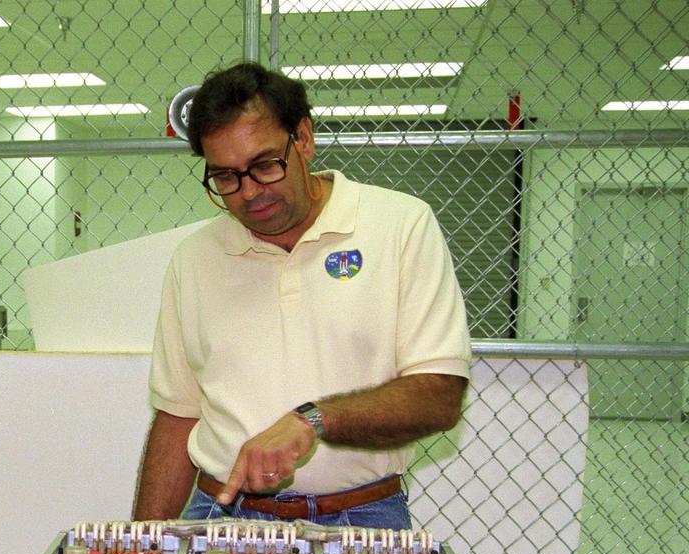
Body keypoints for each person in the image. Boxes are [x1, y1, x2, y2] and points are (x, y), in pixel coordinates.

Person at [133, 62, 470, 528]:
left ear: (304, 140)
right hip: (220, 513)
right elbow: (177, 417)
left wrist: (310, 420)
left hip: (361, 516)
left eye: (265, 165)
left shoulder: (399, 226)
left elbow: (438, 396)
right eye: (226, 177)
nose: (249, 193)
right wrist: (142, 547)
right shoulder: (195, 259)